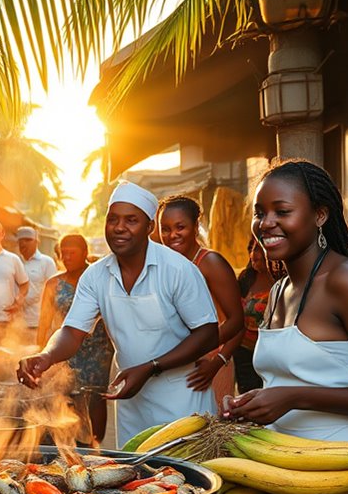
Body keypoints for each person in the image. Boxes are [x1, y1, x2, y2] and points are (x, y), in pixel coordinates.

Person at [225, 160, 348, 494]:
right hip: (285, 475)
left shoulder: (347, 282)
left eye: (282, 211)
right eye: (260, 213)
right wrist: (258, 401)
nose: (267, 223)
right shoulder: (277, 291)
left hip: (347, 480)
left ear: (321, 214)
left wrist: (294, 397)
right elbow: (289, 376)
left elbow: (297, 387)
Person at [17, 181, 219, 446]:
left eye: (131, 220)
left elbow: (208, 333)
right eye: (113, 219)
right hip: (130, 400)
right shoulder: (96, 275)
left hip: (181, 398)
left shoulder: (178, 270)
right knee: (138, 478)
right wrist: (47, 355)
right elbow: (72, 330)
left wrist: (151, 368)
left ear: (149, 227)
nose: (120, 227)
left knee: (184, 478)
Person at [158, 196, 245, 406]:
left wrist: (217, 362)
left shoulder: (210, 263)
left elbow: (237, 322)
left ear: (196, 227)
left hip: (209, 365)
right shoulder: (167, 266)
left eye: (180, 227)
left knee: (210, 431)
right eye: (165, 228)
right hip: (180, 366)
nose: (172, 235)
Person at [37, 234, 114, 444]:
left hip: (99, 350)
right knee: (69, 397)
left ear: (85, 253)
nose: (67, 257)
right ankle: (75, 443)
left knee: (96, 397)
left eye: (73, 253)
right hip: (67, 347)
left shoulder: (99, 278)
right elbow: (44, 323)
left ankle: (94, 444)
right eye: (64, 254)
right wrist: (41, 352)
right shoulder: (54, 284)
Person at [234, 238, 280, 393]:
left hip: (273, 356)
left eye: (258, 249)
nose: (254, 254)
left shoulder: (282, 282)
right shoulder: (246, 279)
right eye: (251, 249)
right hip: (245, 354)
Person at [16, 226, 58, 342]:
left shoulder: (46, 262)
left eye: (28, 240)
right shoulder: (15, 261)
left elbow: (53, 293)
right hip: (16, 324)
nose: (24, 243)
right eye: (21, 240)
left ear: (36, 241)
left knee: (35, 356)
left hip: (37, 322)